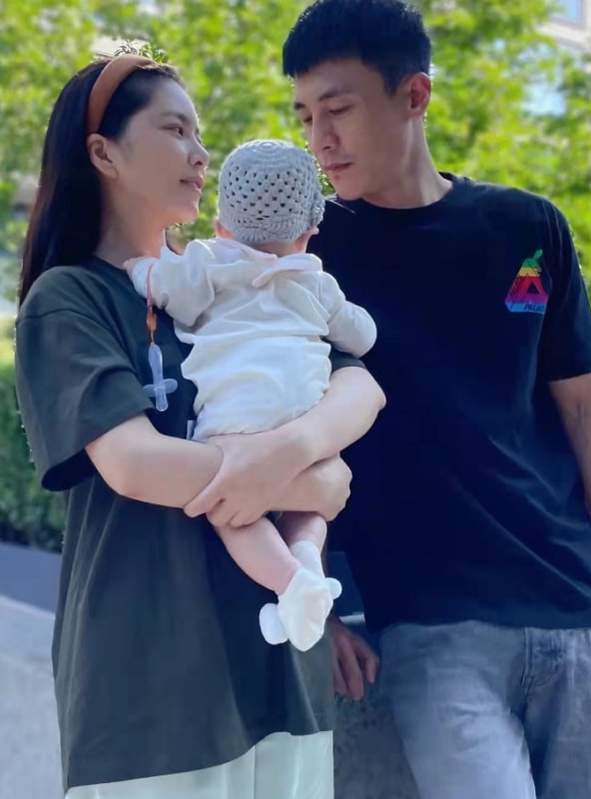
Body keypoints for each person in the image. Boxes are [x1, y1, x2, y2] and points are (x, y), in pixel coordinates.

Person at [279, 1, 591, 796]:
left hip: (583, 610)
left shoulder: (527, 228)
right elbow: (274, 422)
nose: (319, 139)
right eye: (304, 115)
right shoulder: (310, 253)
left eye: (338, 109)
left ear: (414, 95)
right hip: (433, 628)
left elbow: (587, 407)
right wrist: (311, 603)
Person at [14, 55, 385, 798]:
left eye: (201, 135)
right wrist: (310, 479)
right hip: (150, 696)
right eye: (175, 130)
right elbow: (133, 462)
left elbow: (361, 386)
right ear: (104, 153)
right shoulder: (70, 299)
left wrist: (294, 449)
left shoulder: (232, 278)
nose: (200, 153)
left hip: (282, 681)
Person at [124, 138, 377, 652]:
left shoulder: (208, 263)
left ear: (221, 226)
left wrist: (138, 268)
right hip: (304, 403)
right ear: (308, 233)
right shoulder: (317, 282)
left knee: (232, 509)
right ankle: (307, 564)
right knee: (309, 504)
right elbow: (363, 337)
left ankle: (290, 584)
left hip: (238, 409)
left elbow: (168, 291)